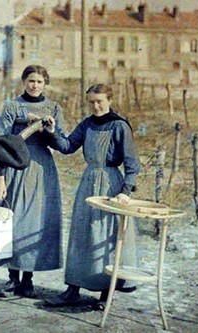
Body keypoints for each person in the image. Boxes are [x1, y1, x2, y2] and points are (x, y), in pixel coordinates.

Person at [43, 83, 141, 306]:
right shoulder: (87, 124)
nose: (96, 106)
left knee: (106, 237)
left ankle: (106, 293)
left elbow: (132, 163)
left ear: (110, 101)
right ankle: (72, 289)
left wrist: (125, 191)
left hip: (110, 186)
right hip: (88, 183)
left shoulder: (119, 126)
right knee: (82, 234)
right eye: (91, 102)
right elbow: (67, 146)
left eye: (100, 101)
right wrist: (51, 132)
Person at [0, 65, 64, 298]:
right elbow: (1, 144)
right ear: (24, 82)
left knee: (34, 223)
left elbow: (59, 144)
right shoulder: (12, 107)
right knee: (13, 222)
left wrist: (52, 131)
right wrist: (0, 178)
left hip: (42, 170)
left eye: (40, 82)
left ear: (45, 84)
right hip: (15, 166)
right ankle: (12, 278)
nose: (35, 85)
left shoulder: (53, 107)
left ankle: (28, 280)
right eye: (31, 80)